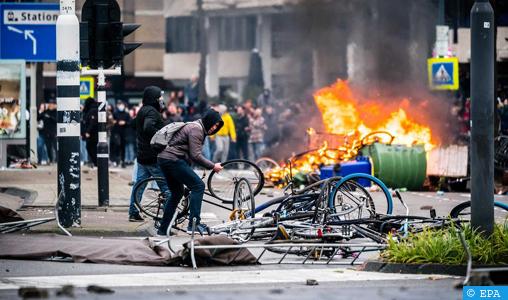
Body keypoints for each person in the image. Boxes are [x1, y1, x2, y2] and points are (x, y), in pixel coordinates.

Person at [157, 109, 224, 235]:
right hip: (172, 159)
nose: (214, 128)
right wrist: (212, 166)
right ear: (208, 121)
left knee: (177, 194)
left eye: (217, 126)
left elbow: (189, 153)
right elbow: (195, 155)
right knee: (198, 186)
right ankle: (194, 224)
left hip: (166, 158)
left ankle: (163, 229)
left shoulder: (196, 127)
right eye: (214, 125)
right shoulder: (196, 129)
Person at [128, 86, 170, 222]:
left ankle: (133, 212)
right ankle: (170, 216)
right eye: (159, 97)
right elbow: (148, 127)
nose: (161, 100)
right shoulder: (152, 112)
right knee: (166, 186)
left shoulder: (142, 110)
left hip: (142, 156)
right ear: (154, 98)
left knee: (139, 185)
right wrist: (162, 138)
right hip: (153, 157)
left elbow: (134, 124)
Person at [111, 101, 131, 168]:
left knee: (123, 147)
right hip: (116, 132)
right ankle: (117, 160)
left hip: (124, 133)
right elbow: (112, 121)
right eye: (120, 105)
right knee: (117, 146)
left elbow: (130, 122)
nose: (121, 106)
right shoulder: (115, 113)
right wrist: (116, 122)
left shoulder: (127, 114)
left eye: (122, 105)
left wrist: (125, 123)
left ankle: (123, 161)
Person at [38, 99, 57, 163]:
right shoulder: (46, 111)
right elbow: (38, 118)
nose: (50, 105)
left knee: (55, 147)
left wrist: (50, 117)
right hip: (46, 132)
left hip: (54, 132)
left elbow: (57, 120)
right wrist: (41, 111)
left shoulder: (56, 112)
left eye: (52, 104)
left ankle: (56, 160)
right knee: (48, 147)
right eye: (49, 104)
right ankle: (51, 159)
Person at [82, 97, 99, 166]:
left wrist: (87, 132)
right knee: (91, 148)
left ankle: (96, 163)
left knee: (91, 148)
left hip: (92, 134)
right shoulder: (93, 110)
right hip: (93, 133)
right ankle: (94, 162)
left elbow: (92, 122)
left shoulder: (93, 110)